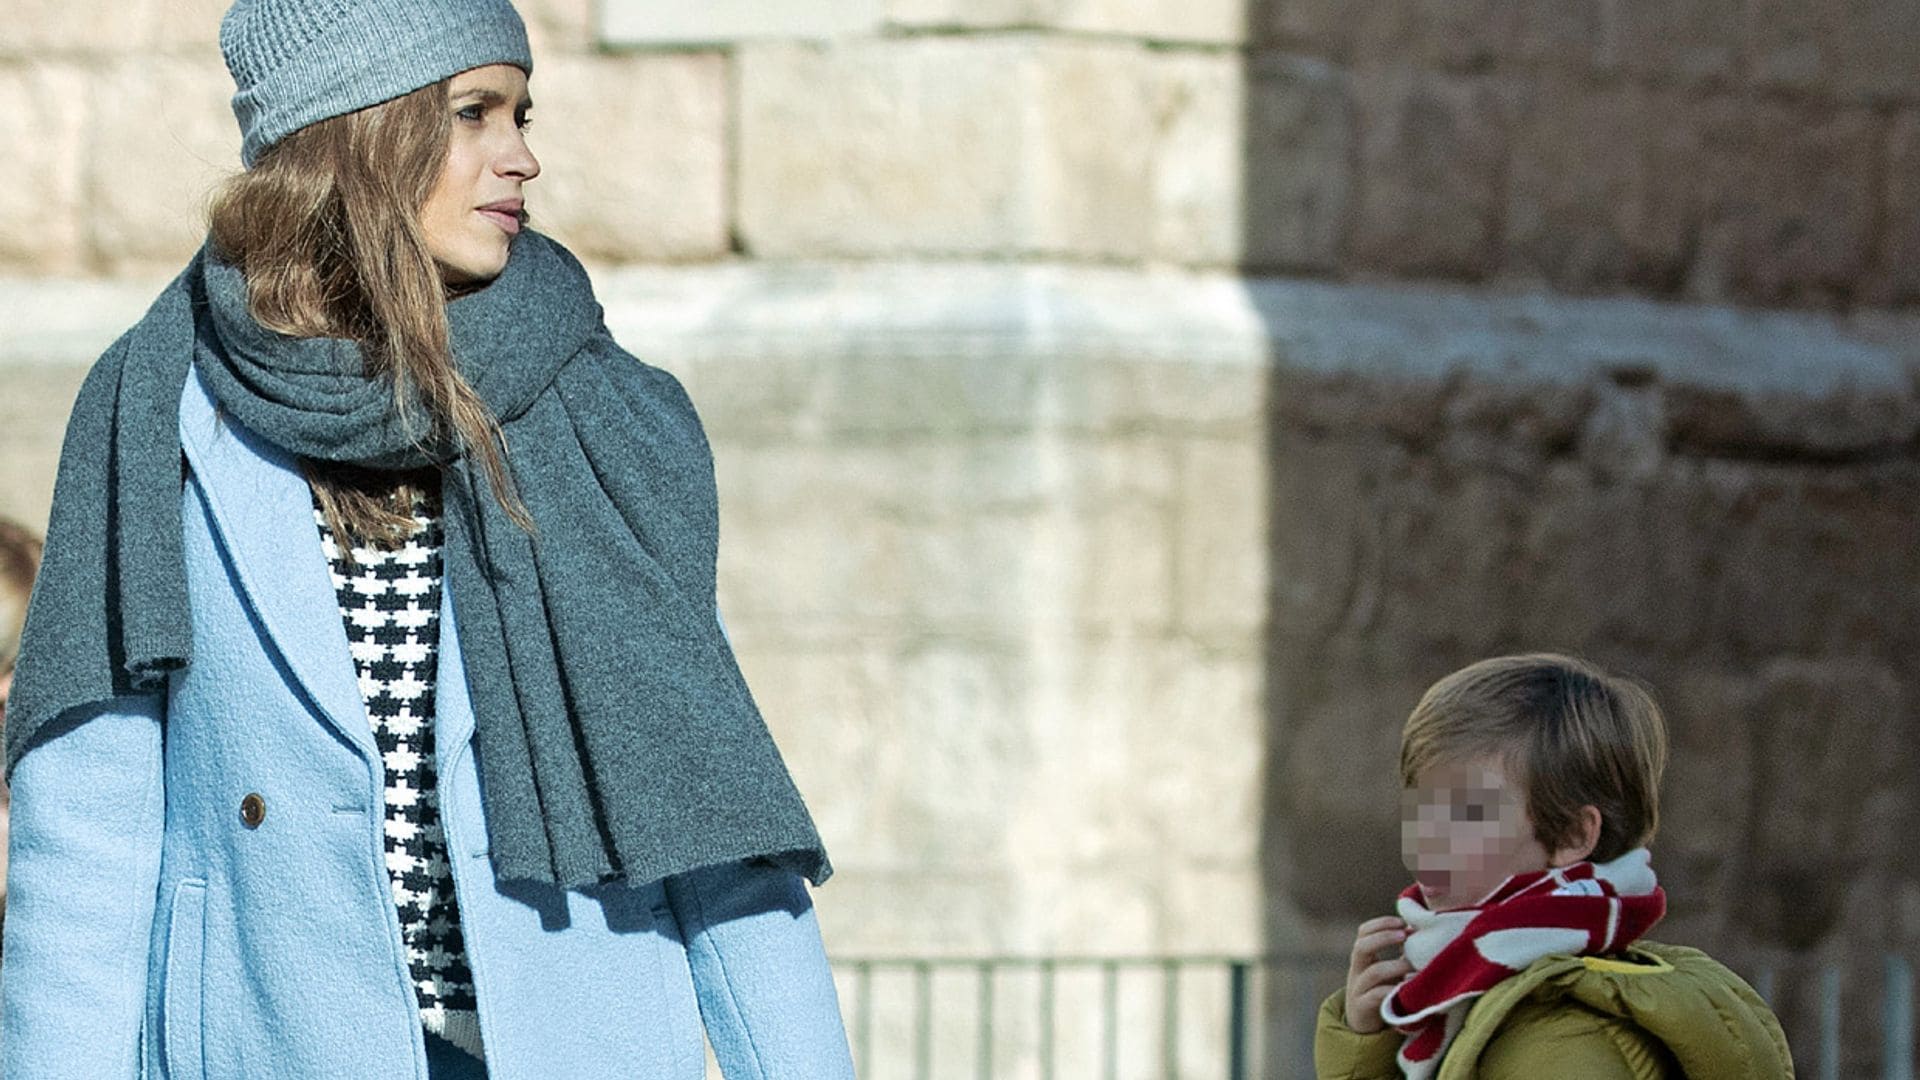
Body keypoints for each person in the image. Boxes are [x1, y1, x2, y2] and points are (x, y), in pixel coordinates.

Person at [1, 2, 855, 1077]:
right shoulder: (151, 407)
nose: (524, 157)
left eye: (521, 113)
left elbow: (715, 824)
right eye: (475, 115)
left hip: (569, 1037)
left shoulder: (597, 412)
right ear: (362, 132)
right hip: (270, 1043)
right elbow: (89, 827)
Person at [1314, 654, 1793, 1080]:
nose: (1426, 838)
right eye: (1420, 808)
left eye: (1466, 812)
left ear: (1571, 835)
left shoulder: (1564, 1038)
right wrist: (1370, 1046)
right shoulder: (1457, 991)